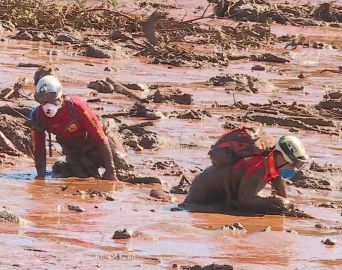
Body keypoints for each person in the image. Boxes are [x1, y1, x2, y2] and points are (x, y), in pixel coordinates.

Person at [181, 135, 309, 214]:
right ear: (280, 156)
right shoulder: (259, 167)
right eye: (293, 164)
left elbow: (282, 196)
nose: (293, 168)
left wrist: (284, 204)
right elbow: (245, 200)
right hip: (201, 195)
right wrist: (273, 201)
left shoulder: (273, 166)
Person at [30, 75, 117, 180]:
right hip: (75, 152)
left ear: (60, 96)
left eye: (51, 98)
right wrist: (40, 176)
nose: (47, 105)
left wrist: (111, 170)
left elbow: (100, 137)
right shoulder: (38, 117)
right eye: (42, 100)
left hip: (98, 146)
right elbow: (39, 148)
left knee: (121, 168)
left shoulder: (77, 107)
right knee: (83, 177)